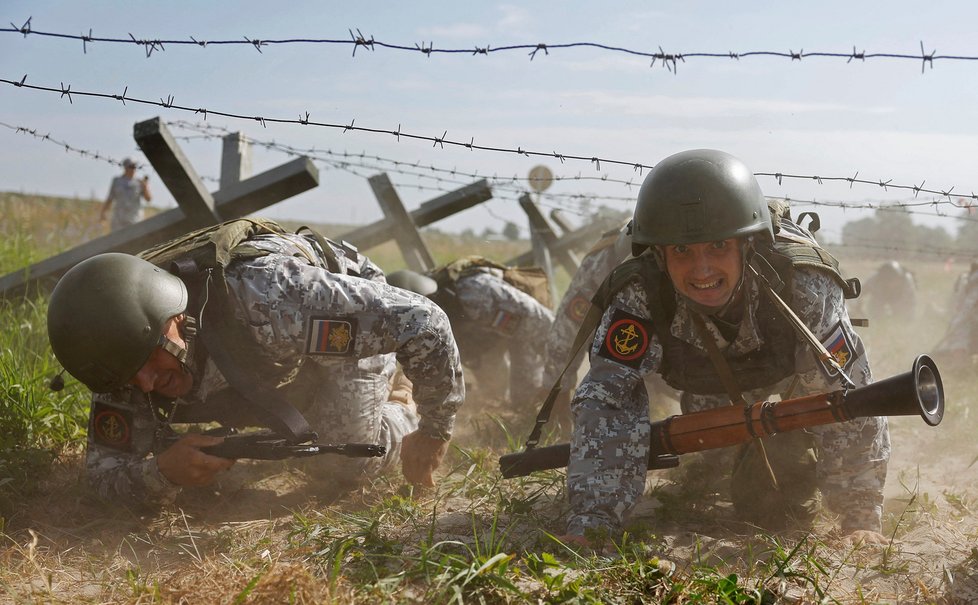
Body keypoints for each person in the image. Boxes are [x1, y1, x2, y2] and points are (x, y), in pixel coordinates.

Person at [560, 149, 890, 547]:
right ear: (660, 254)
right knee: (712, 464)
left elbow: (847, 395)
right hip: (706, 382)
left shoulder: (803, 283)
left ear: (746, 246)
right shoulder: (640, 291)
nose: (701, 269)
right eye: (682, 251)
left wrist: (859, 518)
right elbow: (606, 398)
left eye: (717, 246)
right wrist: (593, 519)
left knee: (811, 426)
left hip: (795, 379)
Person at [47, 219, 464, 507]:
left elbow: (424, 321)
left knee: (345, 463)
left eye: (147, 362)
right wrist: (163, 473)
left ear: (174, 320)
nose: (144, 384)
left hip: (342, 317)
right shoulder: (118, 351)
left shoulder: (271, 298)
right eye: (127, 375)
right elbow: (104, 479)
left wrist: (433, 428)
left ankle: (398, 400)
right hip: (277, 356)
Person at [386, 257, 555, 408]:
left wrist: (556, 374)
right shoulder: (422, 319)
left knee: (525, 401)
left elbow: (539, 322)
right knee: (493, 395)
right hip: (485, 342)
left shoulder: (475, 294)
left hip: (527, 330)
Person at [100, 157, 152, 231]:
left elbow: (148, 199)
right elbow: (110, 198)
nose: (133, 169)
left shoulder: (140, 182)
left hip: (135, 220)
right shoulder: (117, 181)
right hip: (118, 220)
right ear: (125, 167)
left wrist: (145, 187)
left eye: (135, 167)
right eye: (131, 167)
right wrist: (103, 213)